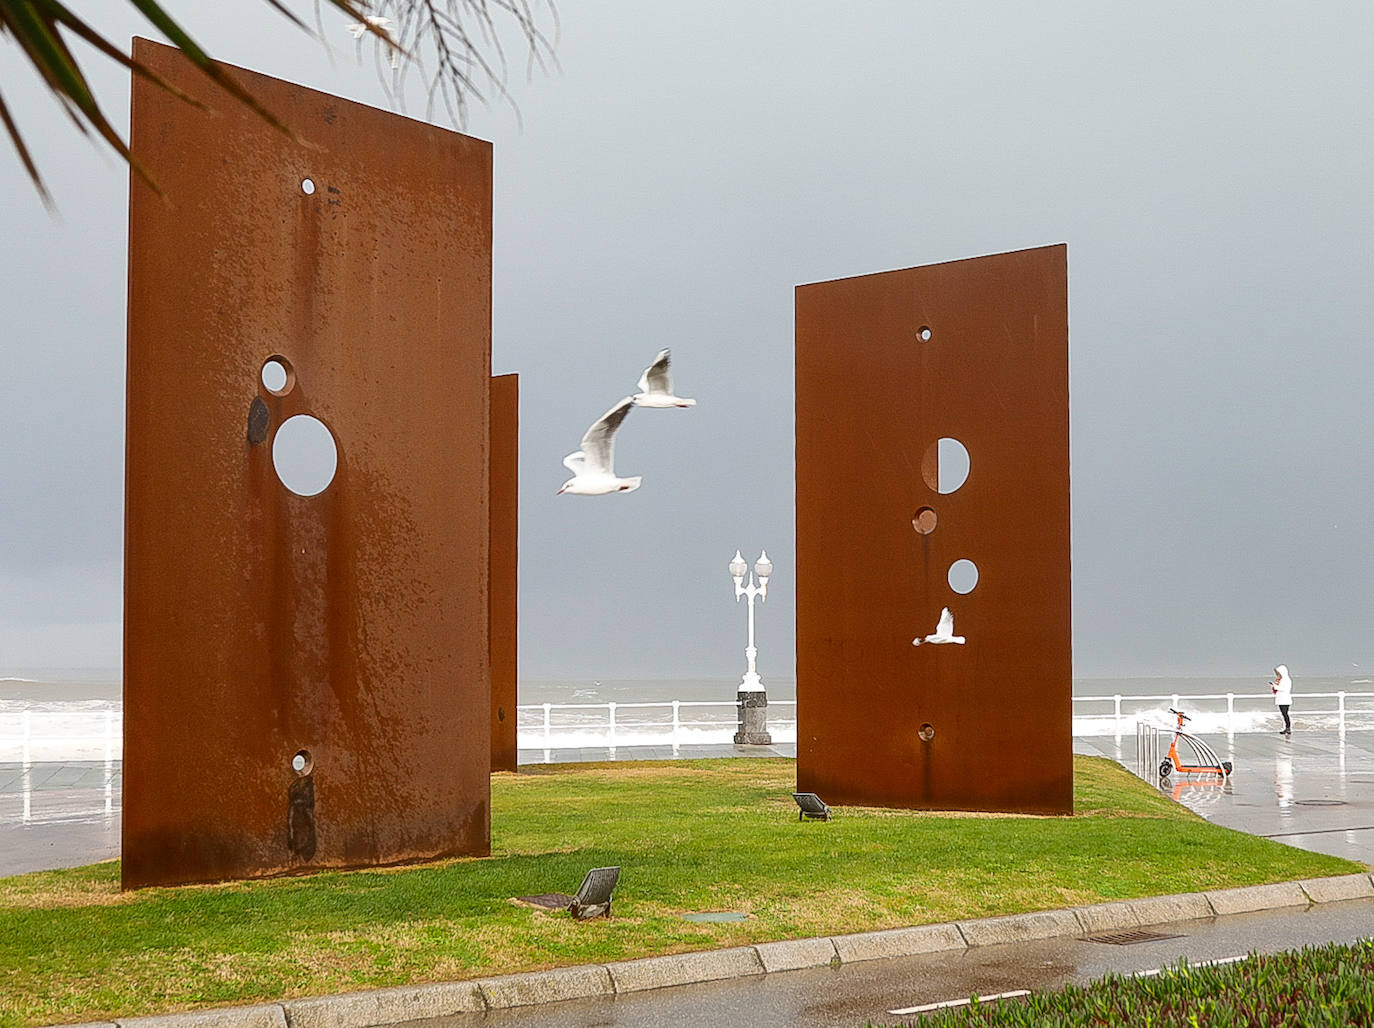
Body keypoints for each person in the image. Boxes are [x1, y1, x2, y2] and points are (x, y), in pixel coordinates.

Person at [1271, 664, 1293, 737]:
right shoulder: (1283, 680)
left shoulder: (1286, 680)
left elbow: (1283, 688)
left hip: (1284, 699)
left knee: (1285, 714)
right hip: (1282, 699)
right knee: (1284, 714)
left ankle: (1288, 728)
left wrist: (1275, 686)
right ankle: (1286, 727)